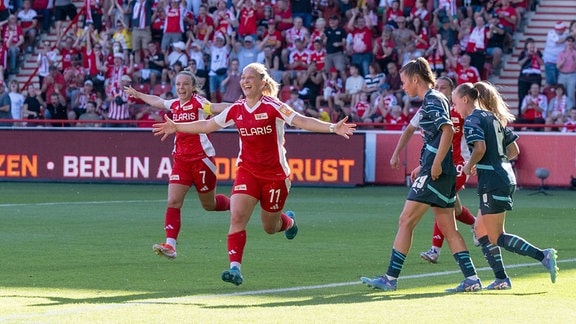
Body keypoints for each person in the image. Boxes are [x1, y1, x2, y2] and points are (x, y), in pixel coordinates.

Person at [151, 63, 356, 285]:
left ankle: (288, 222)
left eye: (250, 77)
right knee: (237, 216)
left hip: (275, 176)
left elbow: (301, 120)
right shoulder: (236, 108)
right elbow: (208, 125)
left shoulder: (273, 106)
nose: (245, 81)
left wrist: (332, 127)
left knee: (270, 227)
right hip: (247, 171)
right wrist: (178, 127)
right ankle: (235, 269)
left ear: (262, 82)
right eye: (243, 77)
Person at [361, 57, 482, 292]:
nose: (403, 85)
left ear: (416, 79)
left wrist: (434, 164)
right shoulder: (433, 100)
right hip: (442, 173)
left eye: (405, 81)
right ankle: (472, 279)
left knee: (406, 220)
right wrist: (426, 162)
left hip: (436, 174)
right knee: (449, 228)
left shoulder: (433, 99)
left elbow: (447, 130)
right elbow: (438, 136)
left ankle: (390, 279)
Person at [452, 81, 558, 289]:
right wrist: (493, 161)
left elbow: (480, 148)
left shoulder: (473, 119)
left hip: (493, 181)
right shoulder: (493, 117)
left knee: (496, 236)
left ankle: (543, 255)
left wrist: (470, 165)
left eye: (455, 103)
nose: (454, 108)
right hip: (503, 176)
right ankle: (501, 279)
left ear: (465, 99)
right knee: (480, 230)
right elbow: (514, 150)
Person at [124, 71, 232, 260]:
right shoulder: (174, 104)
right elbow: (157, 101)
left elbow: (215, 107)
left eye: (185, 84)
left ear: (193, 87)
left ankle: (237, 204)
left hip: (202, 160)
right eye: (178, 84)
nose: (181, 88)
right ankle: (170, 245)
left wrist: (239, 107)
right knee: (173, 201)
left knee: (210, 205)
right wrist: (139, 95)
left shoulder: (199, 103)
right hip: (181, 161)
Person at [390, 76, 477, 264]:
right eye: (437, 86)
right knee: (453, 207)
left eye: (444, 87)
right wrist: (422, 164)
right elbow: (415, 132)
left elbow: (469, 134)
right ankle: (476, 225)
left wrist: (477, 159)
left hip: (459, 163)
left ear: (453, 91)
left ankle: (435, 250)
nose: (439, 89)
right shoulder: (429, 107)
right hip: (438, 162)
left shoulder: (460, 110)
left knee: (439, 207)